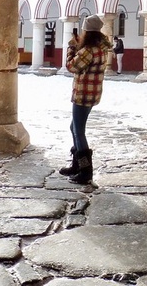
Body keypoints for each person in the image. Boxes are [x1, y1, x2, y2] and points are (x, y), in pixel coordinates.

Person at [60, 15, 110, 184]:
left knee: (78, 130)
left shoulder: (88, 50)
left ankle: (85, 171)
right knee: (74, 127)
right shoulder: (101, 48)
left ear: (87, 31)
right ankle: (77, 165)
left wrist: (71, 48)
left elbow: (72, 66)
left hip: (83, 93)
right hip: (93, 92)